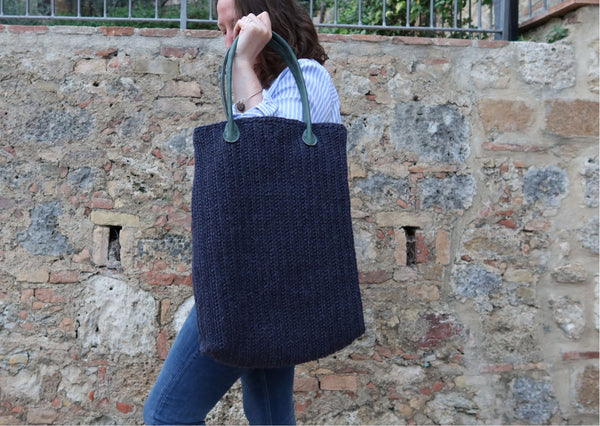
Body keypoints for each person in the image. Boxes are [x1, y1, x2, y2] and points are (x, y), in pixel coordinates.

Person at [143, 0, 342, 424]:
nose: (228, 40)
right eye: (223, 31)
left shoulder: (308, 77)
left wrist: (242, 63)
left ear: (263, 17)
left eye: (233, 26)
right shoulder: (262, 87)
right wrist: (246, 67)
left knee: (166, 414)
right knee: (270, 415)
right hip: (259, 274)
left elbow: (266, 160)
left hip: (249, 286)